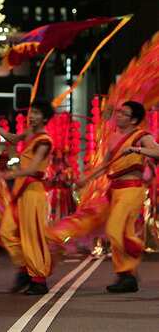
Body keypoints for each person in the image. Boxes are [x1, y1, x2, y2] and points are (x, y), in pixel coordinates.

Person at [76, 100, 159, 293]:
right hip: (115, 190)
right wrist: (86, 179)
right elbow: (105, 165)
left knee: (115, 229)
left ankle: (134, 251)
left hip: (132, 189)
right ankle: (126, 276)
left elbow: (157, 150)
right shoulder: (113, 138)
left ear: (134, 120)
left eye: (124, 114)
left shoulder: (141, 136)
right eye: (119, 112)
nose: (119, 116)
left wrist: (137, 149)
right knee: (118, 231)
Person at [0, 101, 54, 295]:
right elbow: (11, 139)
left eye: (36, 113)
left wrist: (8, 175)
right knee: (7, 232)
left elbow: (33, 168)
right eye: (31, 112)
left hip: (33, 191)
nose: (31, 116)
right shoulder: (29, 133)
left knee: (31, 237)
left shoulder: (44, 141)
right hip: (21, 191)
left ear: (44, 118)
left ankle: (39, 279)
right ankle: (25, 269)